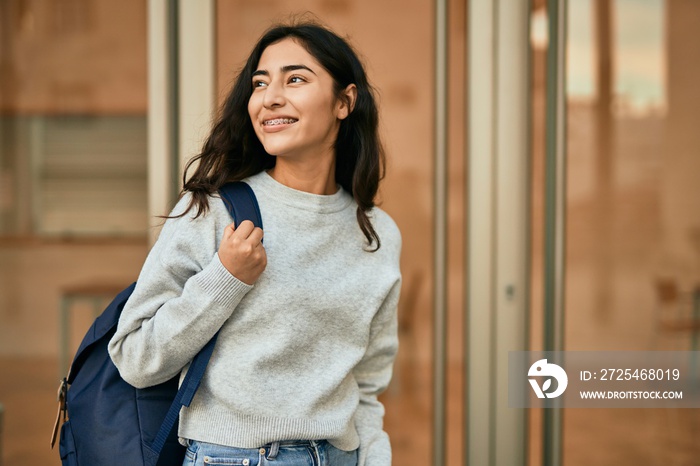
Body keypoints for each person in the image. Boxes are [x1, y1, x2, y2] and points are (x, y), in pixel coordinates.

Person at [108, 21, 401, 466]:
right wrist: (224, 279)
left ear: (345, 101)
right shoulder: (213, 210)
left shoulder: (376, 233)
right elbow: (135, 356)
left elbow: (366, 384)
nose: (270, 97)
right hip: (233, 457)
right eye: (260, 83)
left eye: (296, 79)